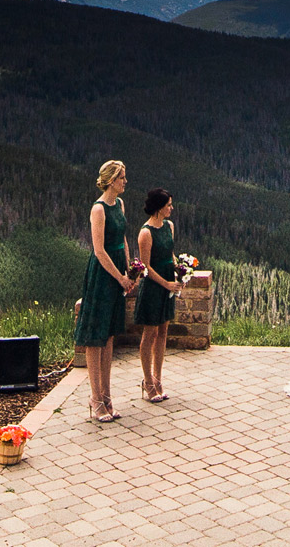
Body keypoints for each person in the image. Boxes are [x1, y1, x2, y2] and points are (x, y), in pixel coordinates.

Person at [72, 159, 134, 423]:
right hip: (103, 275)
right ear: (111, 180)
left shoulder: (119, 205)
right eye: (122, 177)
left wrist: (131, 270)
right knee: (95, 335)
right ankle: (95, 398)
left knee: (109, 335)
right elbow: (99, 250)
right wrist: (119, 277)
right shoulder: (98, 209)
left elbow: (122, 239)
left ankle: (107, 396)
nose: (125, 181)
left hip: (120, 270)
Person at [132, 188, 182, 404]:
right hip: (154, 287)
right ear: (160, 207)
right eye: (169, 205)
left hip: (168, 283)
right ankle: (147, 380)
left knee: (163, 331)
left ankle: (158, 378)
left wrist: (180, 269)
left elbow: (169, 253)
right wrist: (166, 284)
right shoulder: (146, 232)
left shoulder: (169, 227)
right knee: (149, 333)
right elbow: (145, 268)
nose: (171, 208)